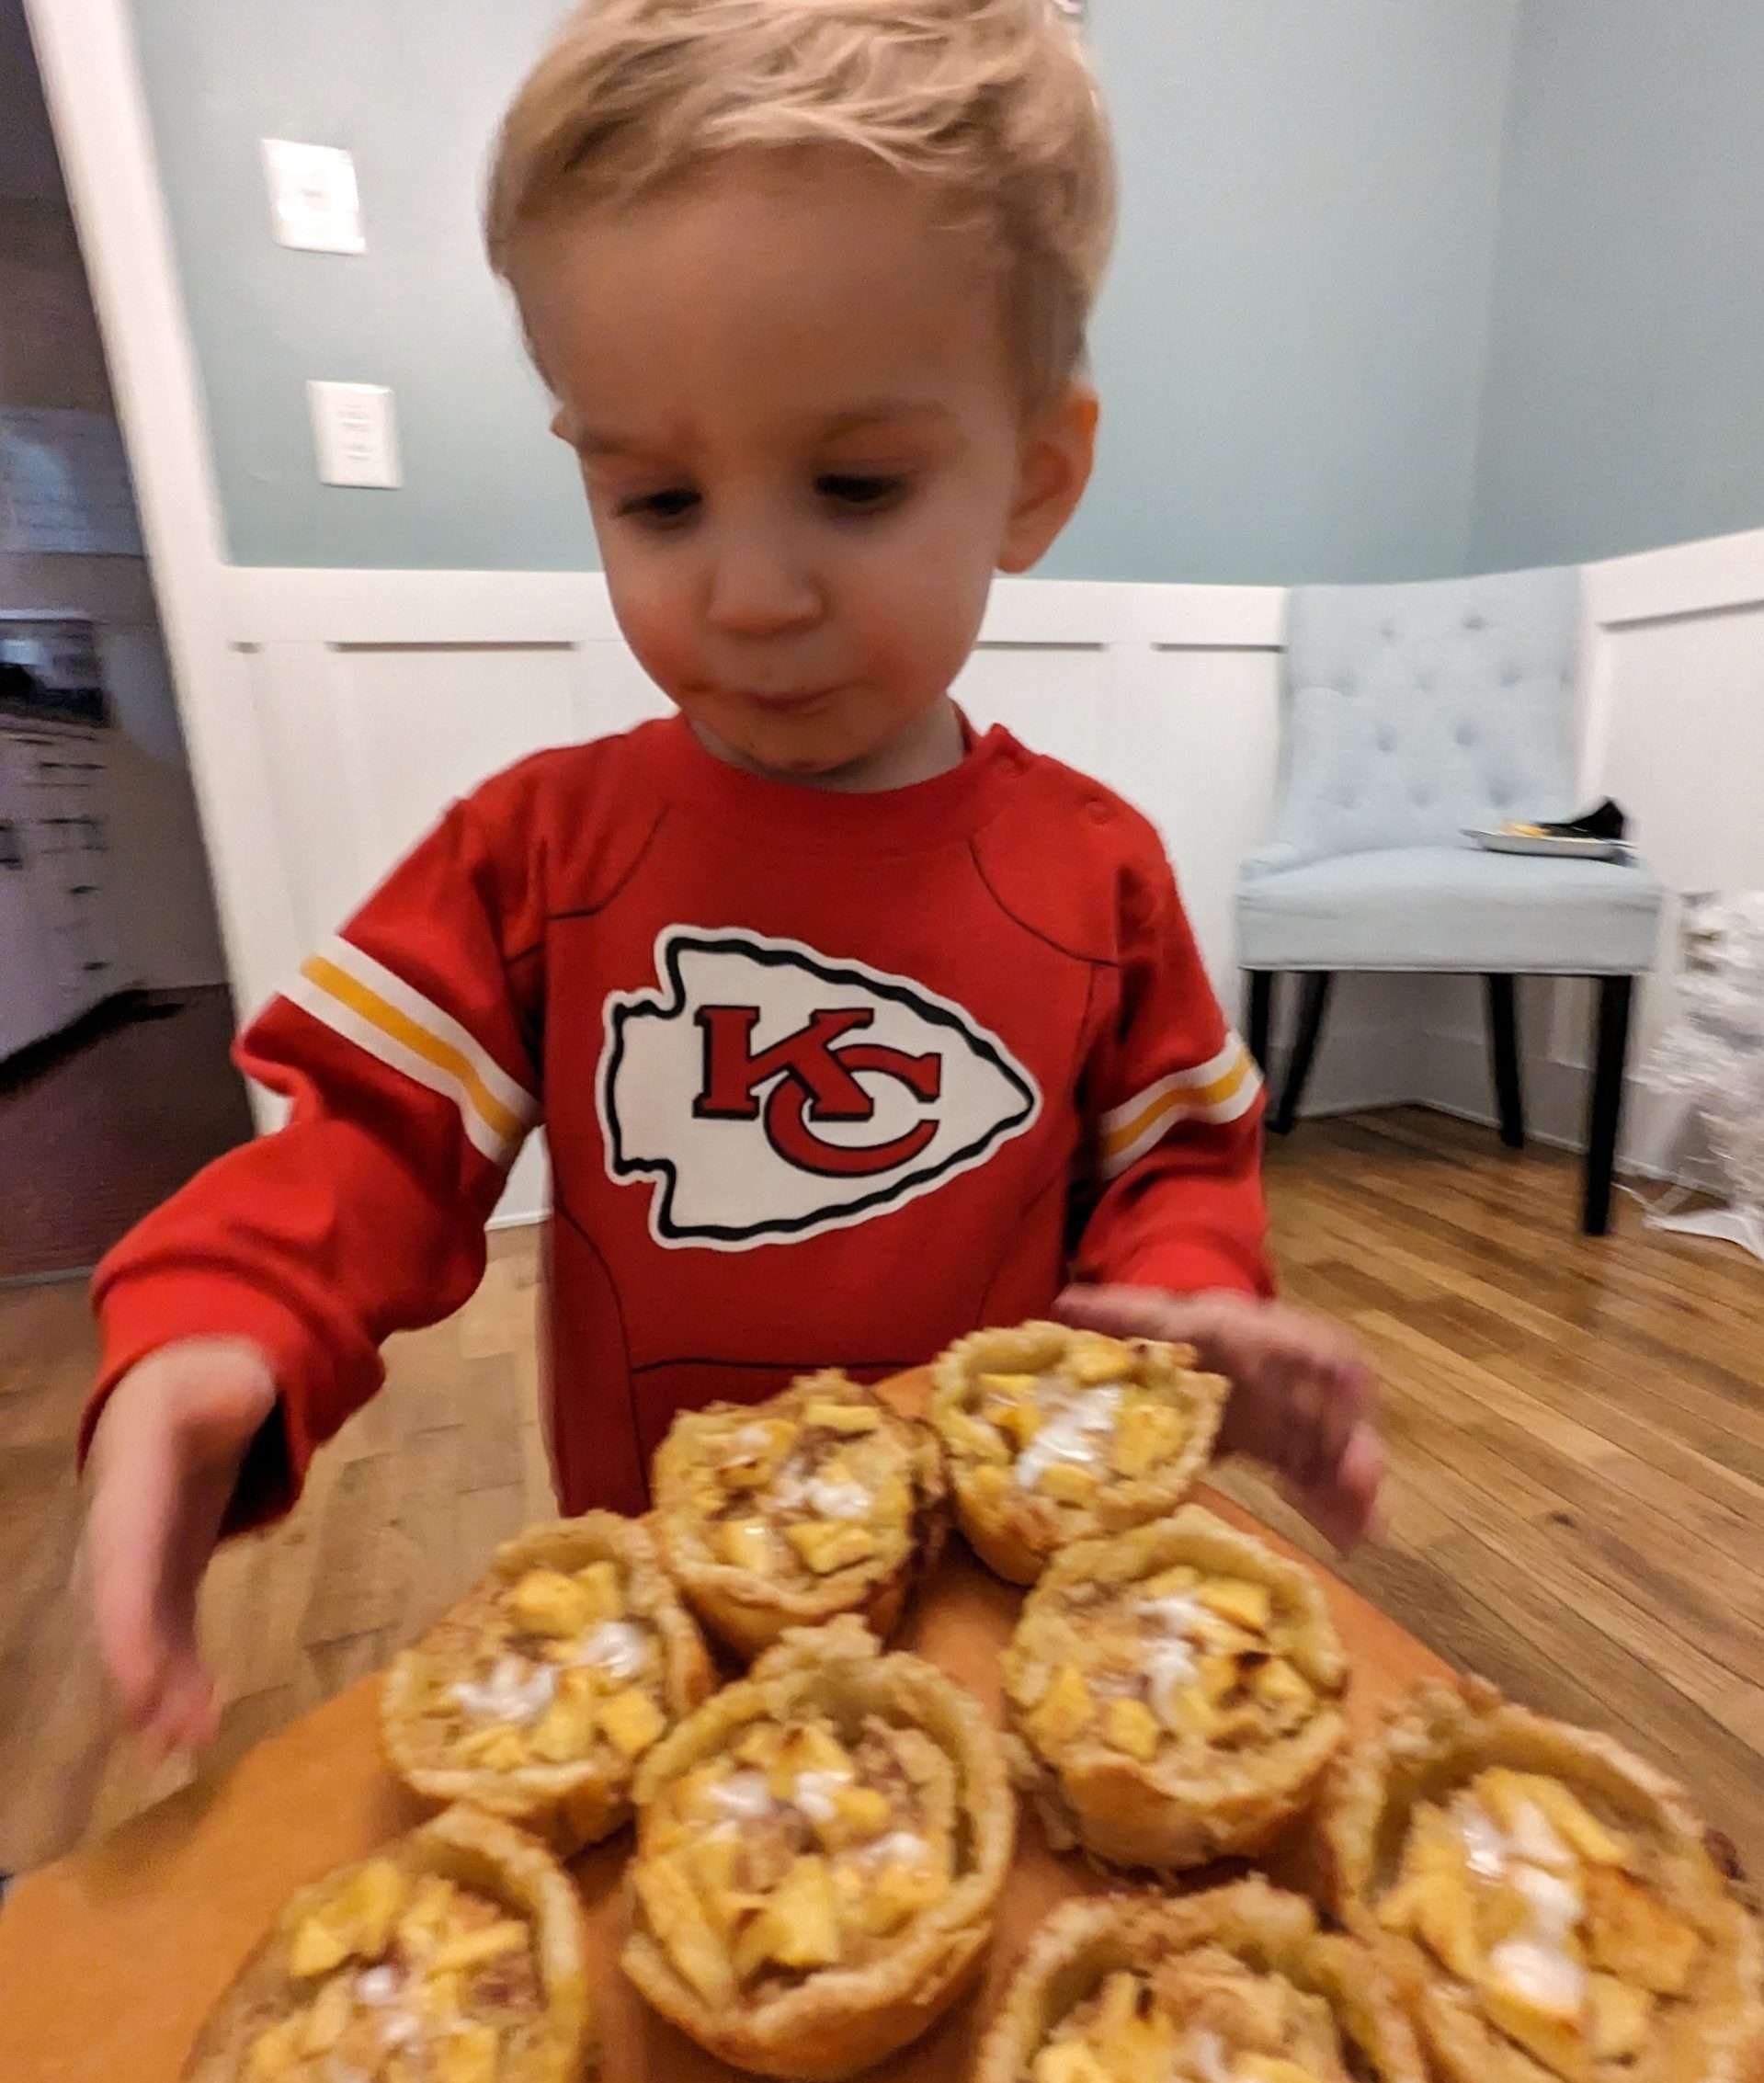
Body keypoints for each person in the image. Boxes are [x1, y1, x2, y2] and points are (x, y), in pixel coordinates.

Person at [77, 0, 1381, 1759]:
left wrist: (1200, 1309)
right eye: (660, 502)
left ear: (1037, 478)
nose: (751, 595)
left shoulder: (1097, 872)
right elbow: (365, 1147)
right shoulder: (537, 855)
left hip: (996, 1598)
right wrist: (217, 1331)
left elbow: (1174, 1167)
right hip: (661, 1608)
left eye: (854, 484)